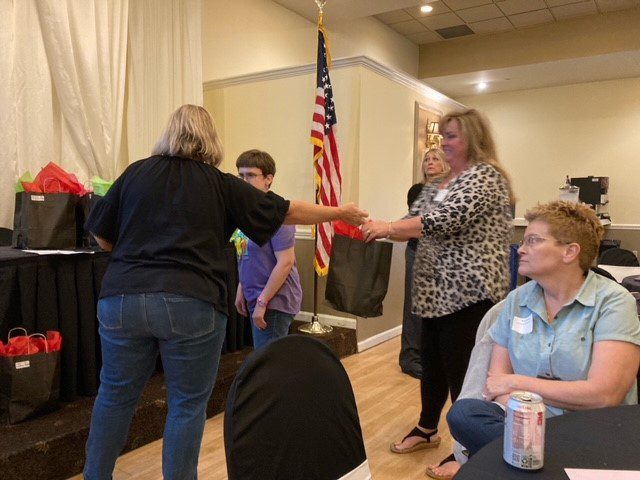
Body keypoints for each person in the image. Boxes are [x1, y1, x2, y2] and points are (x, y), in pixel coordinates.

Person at [82, 104, 368, 480]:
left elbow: (101, 235)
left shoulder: (136, 172)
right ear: (211, 140)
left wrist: (136, 258)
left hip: (122, 299)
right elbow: (285, 211)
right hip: (192, 302)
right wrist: (339, 211)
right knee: (186, 405)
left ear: (169, 134)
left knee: (114, 397)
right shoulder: (220, 183)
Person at [361, 109, 514, 479]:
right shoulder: (437, 183)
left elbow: (444, 220)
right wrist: (371, 225)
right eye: (442, 136)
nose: (443, 143)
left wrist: (388, 226)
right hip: (432, 293)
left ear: (473, 139)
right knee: (431, 365)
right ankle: (428, 429)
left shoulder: (486, 177)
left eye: (451, 137)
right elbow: (413, 225)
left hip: (469, 292)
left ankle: (465, 449)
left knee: (465, 372)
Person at [444, 201, 640, 477]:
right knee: (464, 415)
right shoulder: (517, 301)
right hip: (525, 424)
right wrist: (526, 398)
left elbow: (604, 396)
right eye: (524, 241)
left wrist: (518, 383)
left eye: (533, 241)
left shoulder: (613, 302)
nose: (521, 249)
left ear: (570, 251)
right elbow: (495, 385)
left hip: (595, 428)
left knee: (496, 458)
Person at [233, 149, 302, 349]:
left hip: (275, 300)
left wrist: (263, 303)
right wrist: (241, 288)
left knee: (268, 364)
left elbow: (286, 262)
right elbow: (244, 254)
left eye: (251, 175)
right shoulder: (245, 212)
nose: (244, 181)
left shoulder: (278, 214)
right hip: (255, 295)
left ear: (268, 179)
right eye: (241, 175)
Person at [400, 148, 450, 378]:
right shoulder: (417, 191)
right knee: (415, 307)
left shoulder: (454, 191)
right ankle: (410, 357)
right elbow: (418, 222)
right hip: (418, 254)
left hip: (444, 257)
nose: (430, 163)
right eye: (426, 160)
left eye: (435, 159)